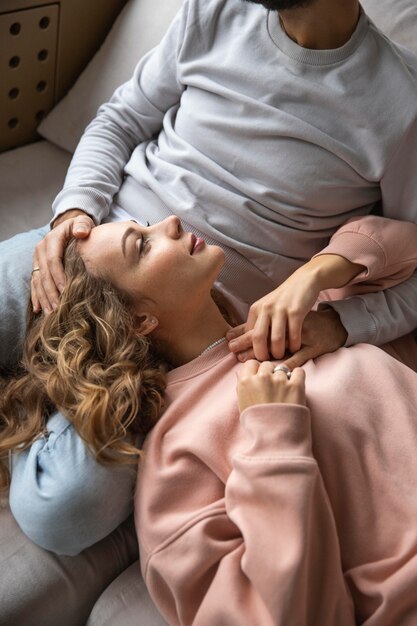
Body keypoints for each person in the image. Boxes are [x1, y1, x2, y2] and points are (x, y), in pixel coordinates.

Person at [1, 214, 417, 625]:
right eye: (143, 245)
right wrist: (275, 439)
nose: (171, 221)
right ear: (140, 321)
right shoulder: (175, 462)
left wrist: (315, 275)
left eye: (144, 225)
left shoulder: (293, 323)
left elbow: (403, 246)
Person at [2, 0, 417, 375]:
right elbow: (119, 121)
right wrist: (75, 211)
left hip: (189, 335)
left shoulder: (404, 102)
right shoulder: (213, 11)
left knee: (72, 455)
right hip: (79, 255)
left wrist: (339, 323)